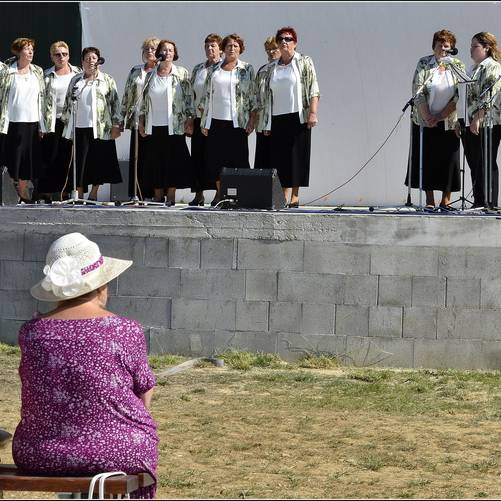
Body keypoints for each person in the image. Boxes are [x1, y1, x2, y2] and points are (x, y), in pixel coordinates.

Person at [12, 232, 158, 499]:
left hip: (39, 453)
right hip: (119, 451)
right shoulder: (125, 330)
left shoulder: (31, 333)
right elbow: (144, 392)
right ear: (101, 286)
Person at [256, 27, 320, 208]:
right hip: (276, 117)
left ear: (295, 43)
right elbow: (264, 96)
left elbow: (313, 88)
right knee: (280, 158)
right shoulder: (271, 68)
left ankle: (295, 196)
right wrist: (263, 122)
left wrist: (313, 113)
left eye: (288, 39)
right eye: (281, 39)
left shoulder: (304, 61)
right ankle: (283, 195)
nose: (284, 42)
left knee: (297, 157)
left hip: (298, 116)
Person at [404, 29, 465, 210]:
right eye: (439, 45)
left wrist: (440, 116)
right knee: (427, 159)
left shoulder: (457, 65)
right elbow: (418, 90)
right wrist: (428, 116)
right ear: (434, 46)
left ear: (452, 48)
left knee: (449, 160)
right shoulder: (424, 63)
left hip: (448, 121)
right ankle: (429, 200)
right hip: (425, 120)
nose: (442, 49)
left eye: (446, 46)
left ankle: (446, 200)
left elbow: (460, 94)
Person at [199, 33, 256, 206]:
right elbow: (206, 96)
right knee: (216, 160)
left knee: (239, 160)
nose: (232, 48)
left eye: (236, 46)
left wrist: (252, 120)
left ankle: (241, 195)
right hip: (216, 121)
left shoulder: (247, 69)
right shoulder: (214, 69)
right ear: (223, 49)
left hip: (237, 122)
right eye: (229, 45)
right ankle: (220, 194)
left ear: (240, 49)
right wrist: (204, 121)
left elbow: (253, 96)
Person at [61, 47, 122, 201]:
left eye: (93, 58)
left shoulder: (107, 79)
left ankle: (93, 194)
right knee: (80, 163)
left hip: (101, 128)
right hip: (79, 127)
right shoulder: (76, 80)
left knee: (98, 161)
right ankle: (79, 194)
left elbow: (115, 104)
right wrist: (67, 127)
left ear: (99, 61)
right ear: (82, 62)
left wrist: (116, 125)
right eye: (87, 58)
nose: (90, 61)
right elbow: (68, 103)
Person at [139, 39, 194, 206]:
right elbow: (143, 101)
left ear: (174, 54)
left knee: (173, 161)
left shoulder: (181, 73)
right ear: (159, 53)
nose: (167, 52)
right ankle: (157, 195)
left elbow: (189, 98)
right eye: (164, 50)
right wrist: (141, 121)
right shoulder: (150, 75)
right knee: (154, 161)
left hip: (174, 125)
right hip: (154, 124)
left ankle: (171, 195)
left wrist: (190, 119)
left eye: (170, 50)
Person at [0, 37, 46, 203]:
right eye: (27, 48)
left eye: (32, 49)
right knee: (13, 159)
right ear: (18, 52)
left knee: (28, 161)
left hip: (32, 122)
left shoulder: (38, 71)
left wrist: (43, 125)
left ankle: (23, 192)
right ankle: (14, 192)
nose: (31, 51)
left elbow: (43, 98)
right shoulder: (7, 70)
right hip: (12, 122)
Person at [36, 41, 80, 202]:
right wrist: (41, 124)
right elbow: (40, 100)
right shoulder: (46, 75)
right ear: (52, 57)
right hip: (52, 120)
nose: (61, 57)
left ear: (69, 55)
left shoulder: (78, 73)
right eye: (57, 54)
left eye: (64, 54)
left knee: (67, 156)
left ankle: (66, 192)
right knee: (50, 155)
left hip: (71, 120)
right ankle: (46, 192)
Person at [462, 32, 501, 209]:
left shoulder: (492, 66)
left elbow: (490, 95)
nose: (471, 50)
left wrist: (478, 118)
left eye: (475, 46)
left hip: (488, 122)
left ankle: (489, 203)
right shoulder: (474, 68)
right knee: (475, 162)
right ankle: (478, 201)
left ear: (487, 48)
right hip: (471, 122)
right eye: (471, 46)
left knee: (486, 161)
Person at [120, 37, 160, 201]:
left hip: (156, 121)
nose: (149, 51)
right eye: (146, 49)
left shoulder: (163, 71)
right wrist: (121, 118)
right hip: (137, 121)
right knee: (138, 158)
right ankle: (137, 194)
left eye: (153, 48)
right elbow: (127, 95)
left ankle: (156, 194)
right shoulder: (135, 71)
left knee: (154, 158)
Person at [188, 33, 222, 206]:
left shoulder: (223, 68)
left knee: (215, 157)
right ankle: (198, 194)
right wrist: (190, 118)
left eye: (213, 45)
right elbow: (191, 94)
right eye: (207, 46)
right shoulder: (198, 69)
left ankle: (219, 194)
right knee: (198, 157)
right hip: (198, 119)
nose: (210, 49)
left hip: (215, 120)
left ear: (220, 49)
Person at [254, 36, 280, 170]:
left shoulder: (286, 69)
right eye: (268, 49)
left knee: (279, 160)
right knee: (263, 161)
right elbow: (256, 97)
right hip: (262, 123)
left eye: (274, 48)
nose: (271, 52)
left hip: (279, 121)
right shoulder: (262, 70)